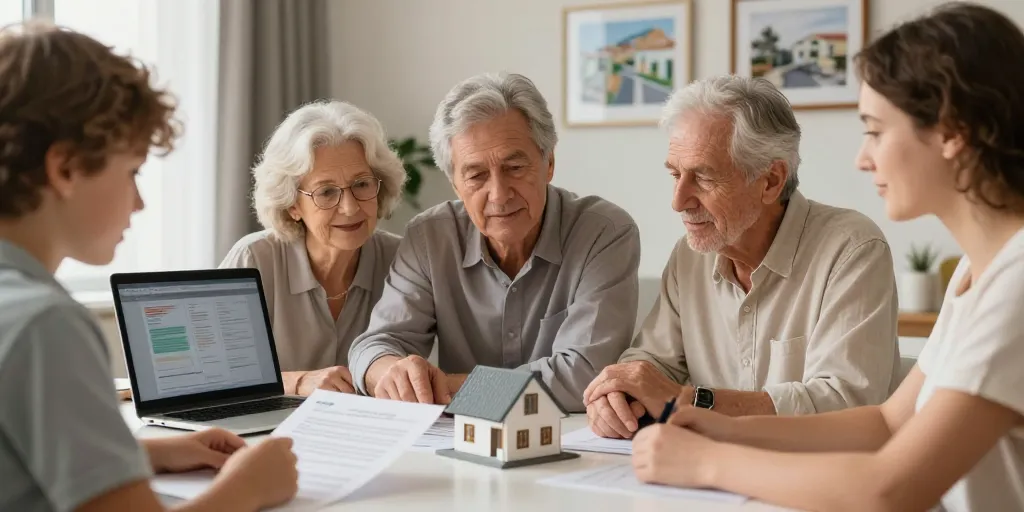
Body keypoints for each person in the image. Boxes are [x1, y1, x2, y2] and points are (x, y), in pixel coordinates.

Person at [631, 4, 1024, 511]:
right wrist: (718, 425)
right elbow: (887, 422)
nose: (863, 157)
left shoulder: (1015, 284)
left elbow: (890, 489)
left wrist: (705, 462)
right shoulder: (978, 272)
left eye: (876, 130)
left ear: (952, 133)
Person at [0, 21, 298, 511]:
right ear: (66, 168)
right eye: (132, 171)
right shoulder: (45, 326)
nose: (138, 203)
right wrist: (248, 486)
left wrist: (144, 453)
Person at [584, 75, 900, 439]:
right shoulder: (690, 256)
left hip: (818, 479)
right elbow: (652, 365)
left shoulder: (851, 249)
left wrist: (688, 401)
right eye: (675, 174)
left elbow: (846, 402)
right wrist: (619, 396)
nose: (678, 201)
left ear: (770, 181)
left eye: (702, 178)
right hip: (705, 476)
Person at [347, 72, 640, 412]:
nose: (499, 195)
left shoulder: (604, 232)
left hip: (566, 444)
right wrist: (389, 373)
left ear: (549, 164)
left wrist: (447, 389)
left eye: (515, 167)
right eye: (476, 175)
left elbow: (584, 376)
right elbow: (375, 346)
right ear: (455, 184)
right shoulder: (429, 237)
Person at [220, 100, 405, 397]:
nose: (349, 207)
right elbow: (218, 374)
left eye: (361, 184)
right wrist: (299, 382)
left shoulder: (401, 261)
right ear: (293, 205)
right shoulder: (254, 259)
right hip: (272, 430)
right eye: (326, 192)